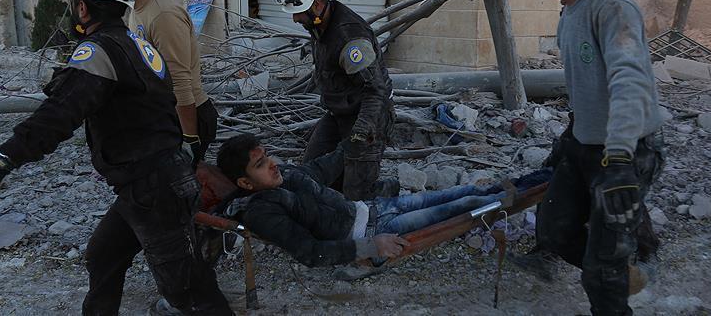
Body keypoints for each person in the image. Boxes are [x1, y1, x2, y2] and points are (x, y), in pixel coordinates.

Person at [0, 0, 232, 316]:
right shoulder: (138, 45)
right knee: (104, 256)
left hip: (153, 189)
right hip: (153, 184)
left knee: (190, 292)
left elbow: (57, 117)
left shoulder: (98, 52)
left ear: (82, 6)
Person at [510, 0, 665, 315]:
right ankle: (617, 271)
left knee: (601, 271)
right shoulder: (570, 11)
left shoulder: (612, 7)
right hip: (585, 143)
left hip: (626, 149)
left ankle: (610, 275)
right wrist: (570, 137)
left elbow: (629, 82)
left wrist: (620, 158)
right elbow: (588, 87)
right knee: (554, 232)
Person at [215, 134, 548, 268]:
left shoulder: (282, 174)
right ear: (245, 183)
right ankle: (528, 191)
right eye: (261, 164)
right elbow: (309, 253)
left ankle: (535, 180)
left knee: (461, 192)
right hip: (374, 230)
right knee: (464, 206)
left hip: (374, 208)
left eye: (268, 156)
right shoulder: (262, 211)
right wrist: (372, 247)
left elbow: (318, 169)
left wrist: (350, 145)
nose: (272, 164)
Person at [275, 0, 395, 201]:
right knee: (310, 175)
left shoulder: (351, 39)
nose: (295, 18)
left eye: (299, 12)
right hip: (339, 113)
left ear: (318, 4)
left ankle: (386, 191)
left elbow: (376, 91)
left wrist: (362, 131)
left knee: (356, 196)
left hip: (369, 114)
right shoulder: (319, 22)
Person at [101, 0, 217, 165]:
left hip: (186, 118)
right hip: (166, 116)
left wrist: (189, 140)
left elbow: (180, 82)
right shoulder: (137, 7)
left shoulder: (163, 15)